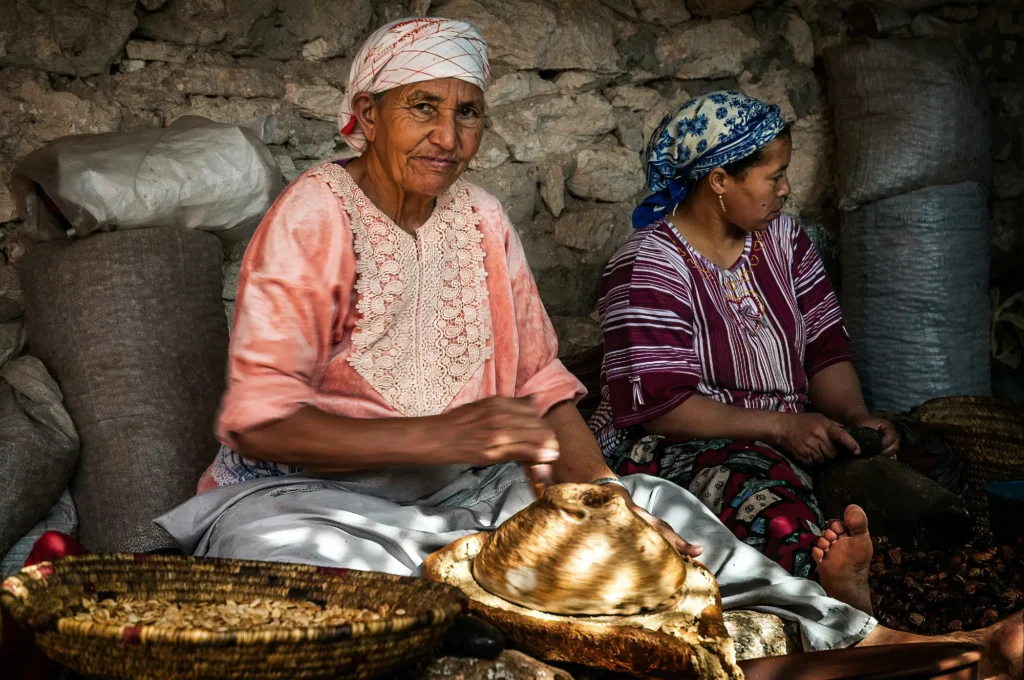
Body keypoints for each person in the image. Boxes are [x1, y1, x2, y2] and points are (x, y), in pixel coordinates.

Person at [154, 21, 1021, 676]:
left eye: (469, 114)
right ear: (366, 115)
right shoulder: (314, 213)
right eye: (424, 108)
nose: (449, 138)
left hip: (472, 494)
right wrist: (437, 437)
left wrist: (611, 513)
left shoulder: (482, 221)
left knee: (663, 515)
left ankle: (887, 639)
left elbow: (543, 388)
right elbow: (262, 422)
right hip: (311, 501)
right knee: (303, 568)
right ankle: (522, 623)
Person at [588, 92, 904, 584]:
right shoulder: (649, 265)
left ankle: (888, 576)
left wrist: (855, 417)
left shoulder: (785, 241)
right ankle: (832, 594)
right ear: (719, 181)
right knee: (761, 493)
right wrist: (780, 428)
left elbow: (825, 350)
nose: (786, 188)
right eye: (774, 175)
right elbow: (662, 409)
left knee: (922, 452)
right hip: (672, 443)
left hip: (792, 433)